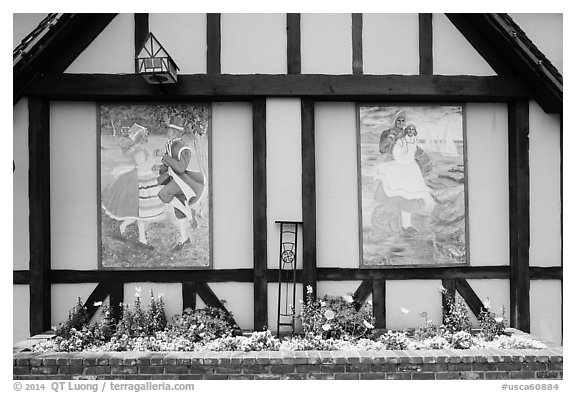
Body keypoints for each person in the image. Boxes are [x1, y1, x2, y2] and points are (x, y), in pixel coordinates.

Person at [102, 122, 164, 249]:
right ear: (140, 137)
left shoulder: (140, 148)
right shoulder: (139, 149)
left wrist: (154, 160)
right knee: (140, 212)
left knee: (142, 213)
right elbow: (144, 165)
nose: (147, 137)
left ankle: (132, 234)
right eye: (145, 135)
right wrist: (154, 156)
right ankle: (135, 235)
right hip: (139, 179)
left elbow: (148, 165)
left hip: (144, 177)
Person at [155, 115, 205, 251]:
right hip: (173, 178)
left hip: (182, 181)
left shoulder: (183, 148)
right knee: (178, 211)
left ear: (176, 132)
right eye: (168, 130)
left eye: (170, 130)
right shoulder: (170, 145)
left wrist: (163, 156)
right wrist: (159, 168)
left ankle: (190, 216)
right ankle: (184, 239)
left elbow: (180, 168)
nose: (167, 132)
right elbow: (167, 165)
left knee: (163, 194)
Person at [374, 123, 434, 234]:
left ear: (415, 131)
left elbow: (419, 153)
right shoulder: (400, 141)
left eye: (413, 129)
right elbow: (399, 157)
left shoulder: (416, 141)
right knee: (397, 198)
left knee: (410, 200)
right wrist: (408, 155)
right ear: (406, 130)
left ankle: (407, 225)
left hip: (412, 171)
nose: (411, 130)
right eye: (409, 129)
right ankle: (394, 224)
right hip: (400, 171)